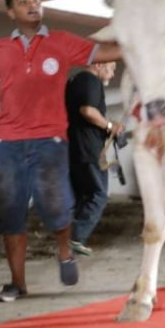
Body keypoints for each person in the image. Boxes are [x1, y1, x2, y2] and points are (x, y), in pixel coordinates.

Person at [0, 0, 121, 302]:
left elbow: (106, 53)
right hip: (8, 144)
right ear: (11, 12)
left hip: (51, 142)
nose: (32, 5)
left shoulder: (61, 42)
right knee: (9, 214)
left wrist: (145, 36)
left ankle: (64, 252)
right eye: (23, 2)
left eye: (36, 0)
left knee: (57, 208)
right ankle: (17, 283)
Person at [65, 62, 124, 256]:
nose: (113, 72)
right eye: (112, 67)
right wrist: (109, 126)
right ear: (98, 64)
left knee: (83, 195)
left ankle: (69, 238)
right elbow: (88, 111)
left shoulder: (75, 81)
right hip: (89, 148)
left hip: (76, 145)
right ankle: (74, 238)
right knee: (98, 194)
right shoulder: (90, 81)